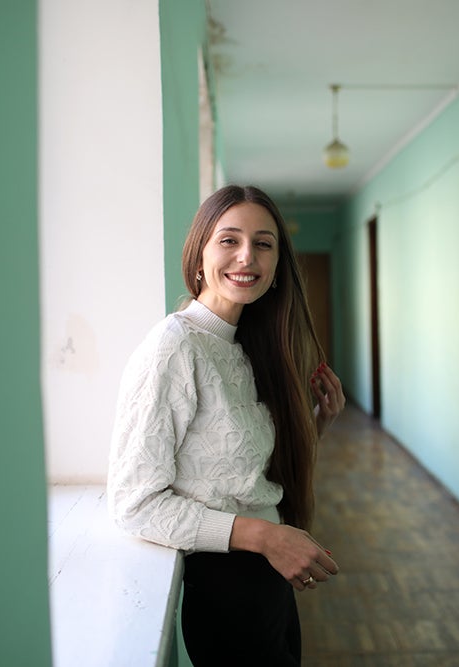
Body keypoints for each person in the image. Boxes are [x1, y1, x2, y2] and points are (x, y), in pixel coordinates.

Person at [108, 184, 345, 664]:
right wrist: (265, 537)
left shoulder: (248, 343)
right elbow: (134, 504)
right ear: (200, 253)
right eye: (229, 240)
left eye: (263, 243)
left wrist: (318, 422)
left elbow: (245, 473)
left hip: (270, 580)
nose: (246, 257)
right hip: (227, 588)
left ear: (278, 264)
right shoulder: (174, 346)